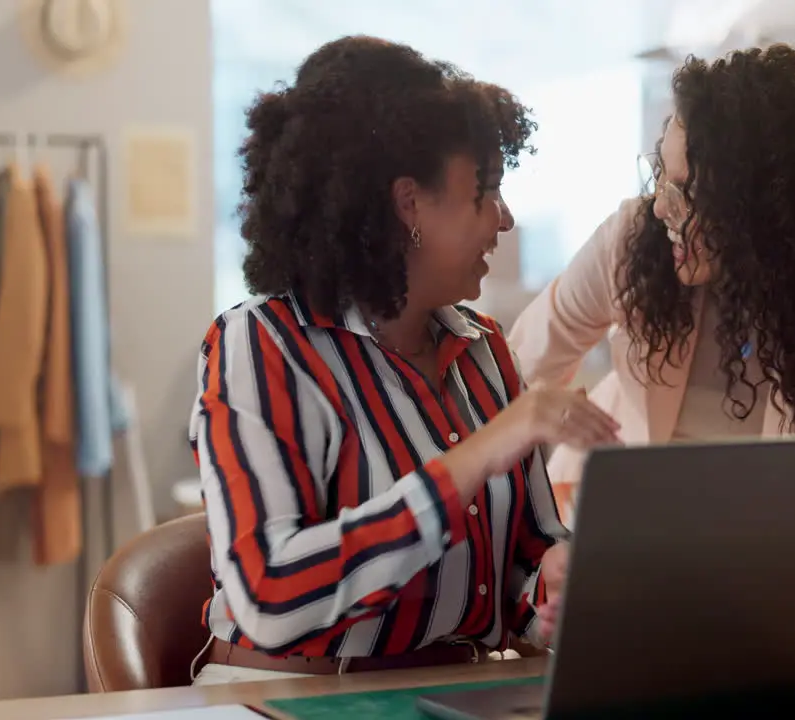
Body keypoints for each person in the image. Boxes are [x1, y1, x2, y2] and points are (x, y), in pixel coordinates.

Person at [187, 36, 617, 685]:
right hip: (290, 698)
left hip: (454, 690)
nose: (504, 219)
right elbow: (269, 595)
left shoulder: (484, 348)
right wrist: (472, 459)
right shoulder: (261, 346)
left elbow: (526, 559)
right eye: (485, 191)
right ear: (408, 204)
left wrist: (548, 590)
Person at [509, 45, 795, 520]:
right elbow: (520, 367)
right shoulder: (633, 242)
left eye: (687, 192)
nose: (662, 207)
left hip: (766, 537)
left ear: (764, 212)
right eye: (662, 176)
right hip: (617, 515)